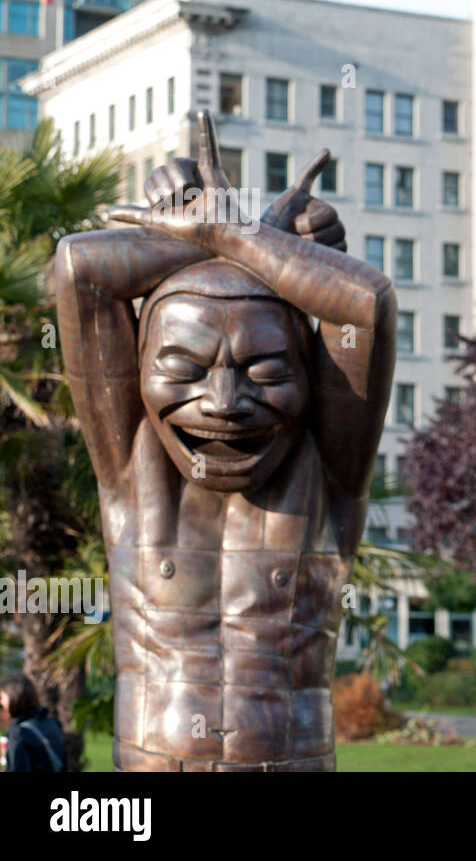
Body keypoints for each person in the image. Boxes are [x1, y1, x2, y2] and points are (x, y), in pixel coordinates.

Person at [52, 111, 395, 771]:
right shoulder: (131, 461)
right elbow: (80, 270)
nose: (224, 403)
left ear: (307, 373)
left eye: (265, 371)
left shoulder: (328, 467)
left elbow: (366, 302)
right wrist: (242, 235)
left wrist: (231, 233)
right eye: (183, 367)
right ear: (142, 365)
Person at [0, 673, 67, 772]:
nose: (0, 703)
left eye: (2, 698)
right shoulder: (53, 723)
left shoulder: (19, 732)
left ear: (14, 697)